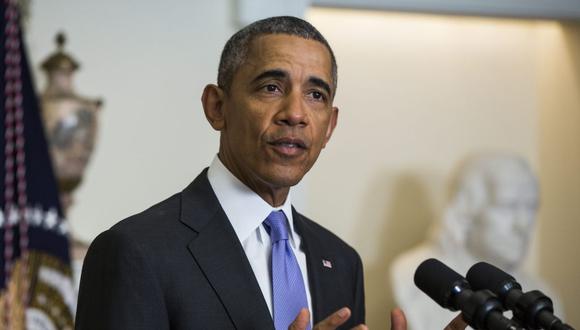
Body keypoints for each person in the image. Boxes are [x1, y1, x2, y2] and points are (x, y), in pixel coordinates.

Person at [75, 16, 466, 330]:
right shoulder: (134, 252)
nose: (295, 114)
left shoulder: (341, 261)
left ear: (329, 126)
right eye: (271, 87)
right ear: (217, 107)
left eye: (316, 95)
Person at [390, 153, 562, 330]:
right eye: (508, 205)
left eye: (531, 207)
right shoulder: (410, 272)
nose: (523, 224)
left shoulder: (542, 294)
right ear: (467, 208)